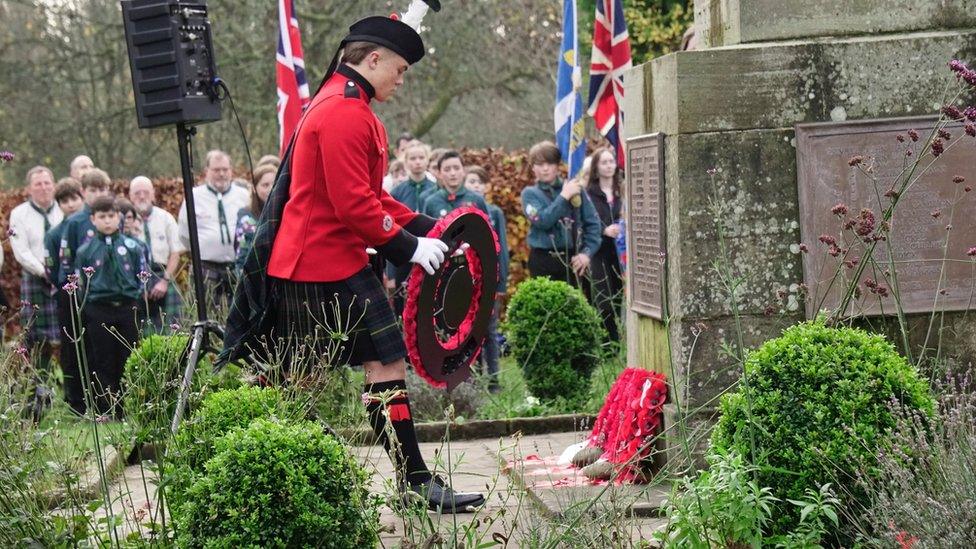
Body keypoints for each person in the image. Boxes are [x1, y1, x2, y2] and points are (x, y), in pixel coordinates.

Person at [220, 13, 485, 513]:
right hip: (317, 263)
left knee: (339, 372)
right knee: (301, 381)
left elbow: (369, 198)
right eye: (400, 70)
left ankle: (411, 481)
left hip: (328, 259)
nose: (402, 81)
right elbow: (353, 206)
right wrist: (409, 247)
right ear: (374, 58)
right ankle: (255, 472)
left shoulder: (352, 104)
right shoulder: (344, 112)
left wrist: (430, 227)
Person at [73, 196, 146, 416]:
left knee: (129, 356)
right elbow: (80, 284)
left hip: (127, 307)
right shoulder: (85, 251)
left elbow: (142, 276)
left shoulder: (133, 246)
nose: (107, 221)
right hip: (99, 308)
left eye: (112, 216)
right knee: (102, 358)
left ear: (119, 217)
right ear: (93, 219)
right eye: (102, 216)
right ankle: (107, 407)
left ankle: (129, 407)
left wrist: (136, 300)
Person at [58, 167, 114, 413]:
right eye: (93, 190)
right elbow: (66, 260)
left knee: (100, 351)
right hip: (78, 295)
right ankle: (78, 402)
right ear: (83, 192)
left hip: (104, 297)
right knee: (76, 349)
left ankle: (104, 399)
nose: (97, 194)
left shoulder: (111, 217)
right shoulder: (74, 223)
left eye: (102, 189)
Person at [177, 150, 249, 315]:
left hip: (237, 267)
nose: (221, 174)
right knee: (204, 315)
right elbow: (184, 233)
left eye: (225, 169)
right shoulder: (193, 196)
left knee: (238, 316)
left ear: (231, 170)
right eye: (216, 170)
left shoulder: (244, 196)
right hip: (205, 268)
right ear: (207, 171)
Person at [520, 141, 601, 288]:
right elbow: (542, 220)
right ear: (533, 168)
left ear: (557, 165)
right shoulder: (529, 194)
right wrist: (564, 197)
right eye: (539, 164)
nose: (545, 169)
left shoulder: (575, 189)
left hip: (572, 259)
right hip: (542, 260)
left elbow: (593, 224)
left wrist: (586, 253)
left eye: (550, 163)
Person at [9, 166, 63, 373]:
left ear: (54, 185)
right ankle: (43, 388)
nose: (43, 188)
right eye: (38, 184)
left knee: (69, 334)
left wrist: (60, 273)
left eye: (47, 183)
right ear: (29, 189)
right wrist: (44, 272)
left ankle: (70, 389)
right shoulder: (19, 214)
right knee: (37, 339)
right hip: (35, 279)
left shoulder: (63, 209)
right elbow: (21, 251)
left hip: (64, 280)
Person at [464, 166, 508, 393]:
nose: (475, 186)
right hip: (467, 280)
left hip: (489, 279)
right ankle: (474, 378)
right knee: (470, 330)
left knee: (489, 330)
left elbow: (501, 248)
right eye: (471, 181)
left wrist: (501, 281)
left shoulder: (494, 212)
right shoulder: (464, 209)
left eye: (480, 182)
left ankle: (494, 379)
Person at [386, 141, 436, 313]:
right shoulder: (397, 192)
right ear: (405, 162)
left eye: (421, 157)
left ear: (427, 160)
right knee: (404, 304)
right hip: (404, 255)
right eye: (413, 158)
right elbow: (388, 228)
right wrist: (390, 273)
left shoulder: (435, 190)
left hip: (431, 254)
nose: (417, 162)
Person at [129, 176, 184, 330]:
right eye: (137, 193)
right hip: (136, 280)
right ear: (130, 196)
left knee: (172, 330)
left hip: (163, 275)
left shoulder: (166, 218)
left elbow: (175, 253)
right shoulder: (125, 221)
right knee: (142, 332)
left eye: (146, 192)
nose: (141, 196)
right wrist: (140, 287)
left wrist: (165, 281)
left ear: (153, 194)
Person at [585, 147, 624, 342]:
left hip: (620, 250)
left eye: (611, 161)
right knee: (603, 297)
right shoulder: (589, 194)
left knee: (619, 295)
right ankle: (608, 342)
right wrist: (603, 229)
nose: (609, 166)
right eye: (604, 162)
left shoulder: (622, 190)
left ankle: (618, 340)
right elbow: (585, 220)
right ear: (596, 167)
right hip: (599, 250)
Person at [421, 150, 489, 219]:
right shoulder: (431, 202)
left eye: (457, 168)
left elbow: (487, 228)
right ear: (439, 173)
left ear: (464, 171)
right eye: (447, 170)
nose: (453, 173)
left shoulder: (477, 199)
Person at [44, 178, 84, 294]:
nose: (71, 205)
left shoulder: (93, 226)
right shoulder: (53, 235)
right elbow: (51, 267)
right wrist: (65, 286)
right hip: (67, 291)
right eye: (65, 201)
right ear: (59, 204)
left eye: (74, 199)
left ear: (82, 198)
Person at [234, 163, 275, 274]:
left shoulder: (284, 215)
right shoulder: (246, 218)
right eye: (265, 185)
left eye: (274, 184)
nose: (271, 189)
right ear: (254, 188)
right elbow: (242, 258)